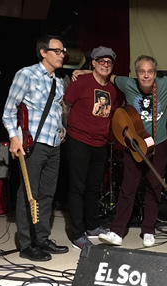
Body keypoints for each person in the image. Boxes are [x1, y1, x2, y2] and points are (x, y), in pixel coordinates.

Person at [73, 55, 167, 248]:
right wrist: (87, 71)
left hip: (159, 143)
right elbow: (108, 76)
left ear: (155, 73)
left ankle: (148, 230)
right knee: (128, 187)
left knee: (154, 187)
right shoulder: (127, 83)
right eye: (142, 72)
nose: (146, 76)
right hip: (135, 145)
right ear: (136, 74)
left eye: (150, 72)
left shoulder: (166, 83)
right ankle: (117, 231)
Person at [2, 35, 68, 261]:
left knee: (48, 194)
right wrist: (13, 137)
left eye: (63, 51)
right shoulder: (26, 74)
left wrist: (61, 130)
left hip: (54, 144)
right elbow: (9, 110)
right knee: (29, 194)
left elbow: (56, 111)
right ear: (43, 52)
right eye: (58, 51)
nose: (62, 55)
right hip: (33, 143)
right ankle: (27, 244)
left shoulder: (58, 82)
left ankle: (42, 238)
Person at [63, 46, 119, 249]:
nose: (105, 65)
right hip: (78, 140)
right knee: (77, 188)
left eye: (109, 62)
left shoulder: (112, 89)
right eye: (101, 61)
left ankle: (92, 226)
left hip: (100, 143)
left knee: (94, 188)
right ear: (93, 63)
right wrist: (64, 128)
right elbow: (65, 104)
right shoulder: (82, 82)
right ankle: (78, 234)